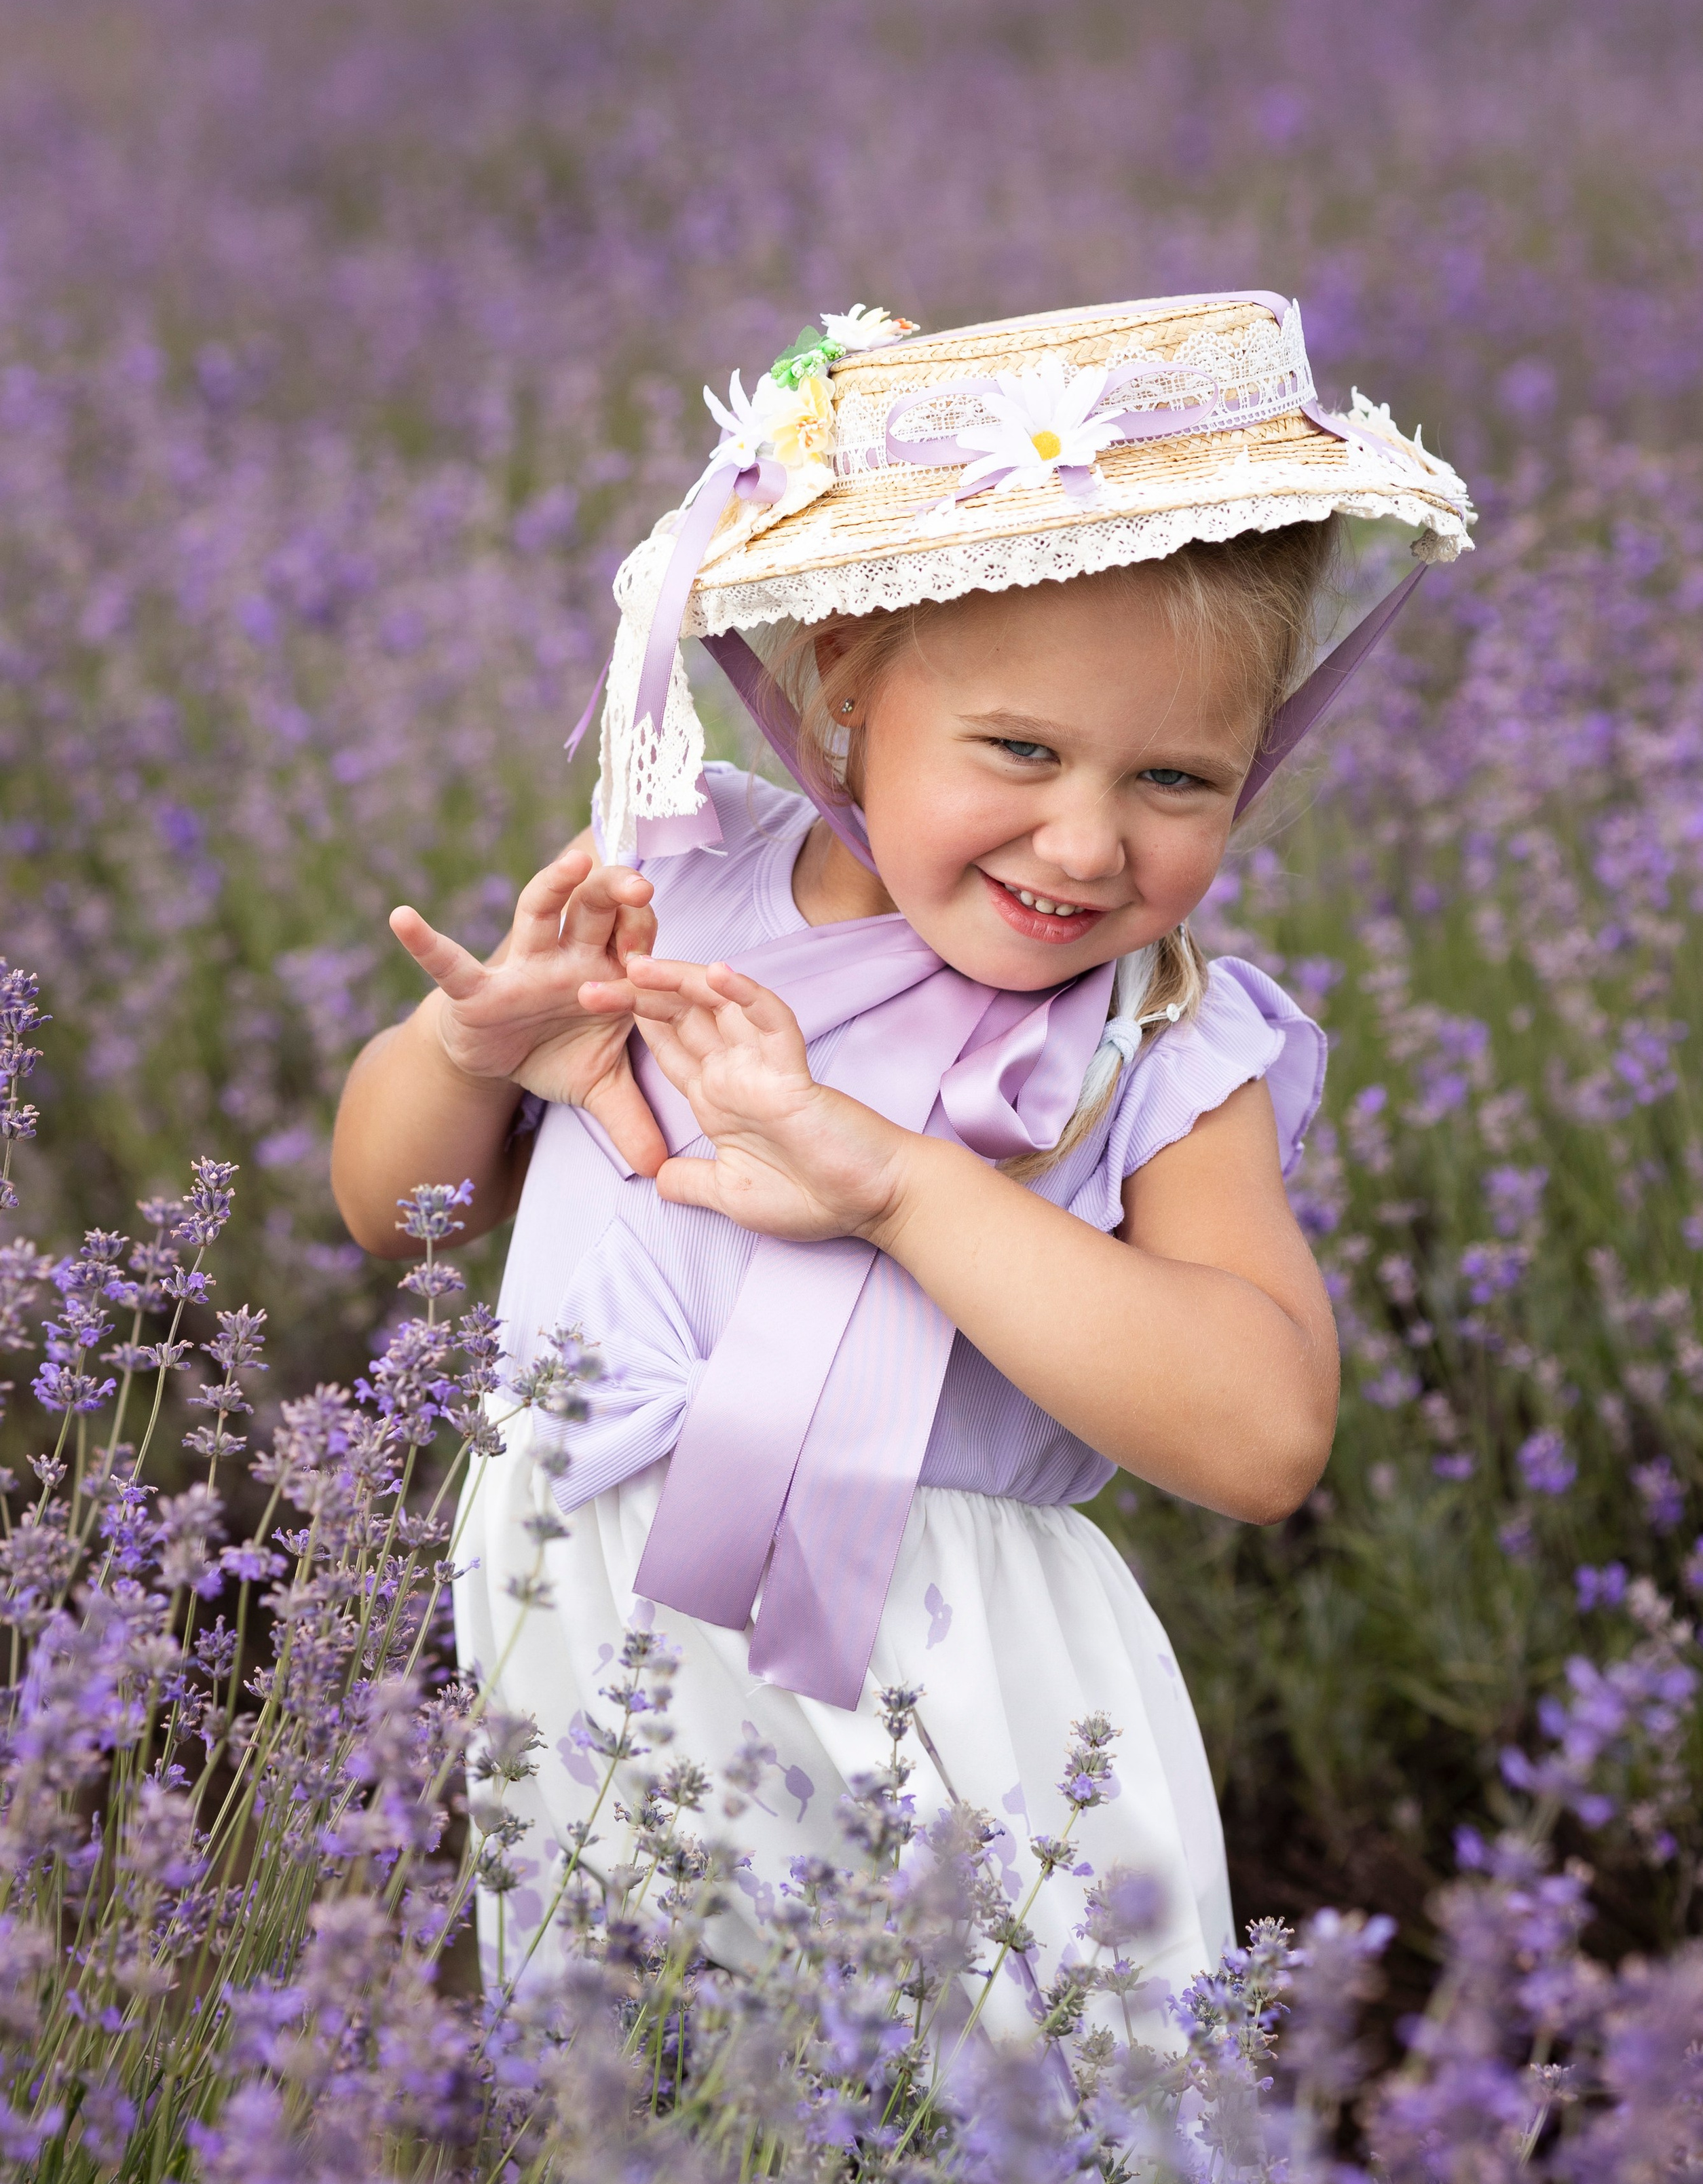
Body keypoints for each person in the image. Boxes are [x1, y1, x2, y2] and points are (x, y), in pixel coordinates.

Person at [331, 292, 1472, 2016]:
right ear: (848, 687)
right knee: (660, 2133)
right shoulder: (672, 888)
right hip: (595, 1662)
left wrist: (900, 1187)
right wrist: (462, 1052)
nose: (1082, 843)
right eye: (1020, 750)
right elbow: (386, 1210)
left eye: (1178, 781)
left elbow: (1259, 1437)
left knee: (999, 2138)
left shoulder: (1162, 1040)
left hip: (963, 1715)